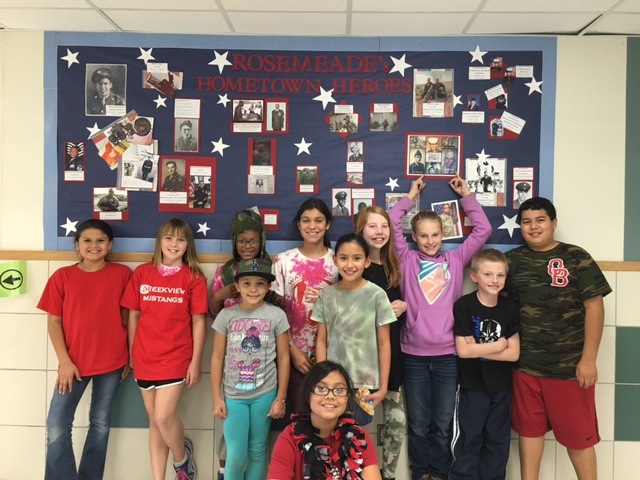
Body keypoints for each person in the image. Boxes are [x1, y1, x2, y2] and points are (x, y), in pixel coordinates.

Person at [389, 174, 491, 480]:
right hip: (414, 355)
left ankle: (440, 472)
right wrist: (410, 195)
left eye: (435, 235)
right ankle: (421, 472)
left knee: (444, 422)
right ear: (414, 237)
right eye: (424, 236)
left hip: (449, 354)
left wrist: (467, 196)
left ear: (443, 234)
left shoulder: (456, 258)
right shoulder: (406, 259)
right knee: (418, 423)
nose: (430, 241)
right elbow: (393, 218)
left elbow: (484, 229)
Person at [505, 197, 611, 480]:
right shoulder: (511, 261)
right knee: (529, 432)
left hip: (569, 368)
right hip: (525, 368)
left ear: (554, 222)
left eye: (540, 220)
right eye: (526, 221)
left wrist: (589, 359)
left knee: (579, 438)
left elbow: (595, 307)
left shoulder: (577, 257)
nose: (533, 227)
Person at [38, 219, 131, 480]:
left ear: (110, 245)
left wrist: (129, 355)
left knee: (100, 423)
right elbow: (54, 322)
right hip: (73, 364)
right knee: (56, 424)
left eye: (100, 240)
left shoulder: (122, 274)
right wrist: (64, 361)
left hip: (112, 362)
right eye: (87, 240)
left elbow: (127, 319)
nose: (94, 245)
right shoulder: (62, 277)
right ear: (77, 245)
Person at [121, 218, 207, 480]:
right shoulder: (142, 273)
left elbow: (199, 321)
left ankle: (182, 462)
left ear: (187, 245)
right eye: (169, 238)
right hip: (145, 357)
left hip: (176, 356)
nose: (174, 244)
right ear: (160, 241)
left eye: (181, 239)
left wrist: (195, 362)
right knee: (155, 422)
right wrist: (132, 352)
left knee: (164, 417)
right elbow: (133, 315)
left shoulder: (193, 277)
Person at [211, 258, 290, 480]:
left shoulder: (276, 315)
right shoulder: (227, 316)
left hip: (264, 395)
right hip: (233, 396)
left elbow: (284, 358)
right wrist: (217, 398)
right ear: (237, 286)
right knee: (235, 454)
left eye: (260, 284)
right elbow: (217, 358)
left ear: (267, 287)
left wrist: (280, 398)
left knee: (257, 451)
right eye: (246, 283)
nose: (253, 289)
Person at [209, 209, 272, 480]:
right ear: (234, 241)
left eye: (253, 240)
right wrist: (222, 295)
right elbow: (212, 310)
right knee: (229, 431)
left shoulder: (272, 267)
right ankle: (226, 471)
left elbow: (280, 306)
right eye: (242, 241)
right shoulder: (224, 271)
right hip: (231, 362)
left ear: (262, 240)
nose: (248, 246)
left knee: (258, 439)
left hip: (262, 358)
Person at [450, 249, 520, 480]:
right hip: (472, 387)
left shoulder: (510, 307)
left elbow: (513, 355)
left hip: (500, 388)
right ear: (474, 276)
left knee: (497, 442)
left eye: (500, 275)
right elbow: (462, 351)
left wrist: (479, 349)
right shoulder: (464, 306)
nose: (494, 280)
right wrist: (498, 345)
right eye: (488, 274)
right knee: (469, 440)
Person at [314, 234, 396, 426]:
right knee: (330, 437)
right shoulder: (326, 295)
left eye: (357, 258)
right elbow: (321, 341)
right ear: (335, 260)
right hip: (333, 382)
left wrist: (383, 387)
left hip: (365, 384)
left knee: (355, 439)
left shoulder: (377, 295)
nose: (350, 264)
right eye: (343, 258)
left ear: (367, 262)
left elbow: (384, 343)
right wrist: (322, 379)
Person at [272, 198, 338, 413]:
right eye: (306, 220)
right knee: (300, 419)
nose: (312, 226)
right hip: (293, 356)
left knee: (328, 419)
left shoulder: (339, 262)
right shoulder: (283, 262)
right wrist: (292, 350)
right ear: (298, 224)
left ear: (327, 224)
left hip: (333, 355)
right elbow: (276, 313)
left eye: (319, 220)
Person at [356, 206, 407, 480]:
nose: (379, 232)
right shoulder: (354, 265)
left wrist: (405, 305)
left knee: (396, 424)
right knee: (359, 423)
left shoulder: (394, 265)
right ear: (361, 230)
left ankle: (387, 475)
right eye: (372, 226)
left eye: (383, 226)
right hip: (363, 362)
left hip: (393, 357)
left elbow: (410, 301)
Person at [268, 360, 382, 480]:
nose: (330, 396)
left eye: (339, 390)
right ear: (308, 395)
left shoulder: (359, 437)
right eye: (321, 388)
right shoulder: (289, 439)